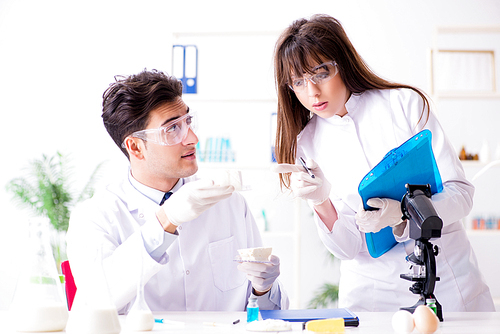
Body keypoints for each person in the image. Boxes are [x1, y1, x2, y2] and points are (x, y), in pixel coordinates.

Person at [271, 14, 494, 312]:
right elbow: (348, 248)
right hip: (371, 294)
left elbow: (461, 195)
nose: (312, 92)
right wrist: (322, 203)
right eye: (298, 82)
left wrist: (405, 213)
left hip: (445, 284)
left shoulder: (403, 105)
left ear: (343, 63)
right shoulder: (307, 144)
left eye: (321, 73)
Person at [66, 69, 288, 314]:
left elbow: (263, 314)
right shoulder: (96, 217)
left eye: (187, 122)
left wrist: (263, 290)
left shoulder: (230, 203)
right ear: (136, 147)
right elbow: (96, 303)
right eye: (172, 129)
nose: (192, 138)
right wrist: (166, 219)